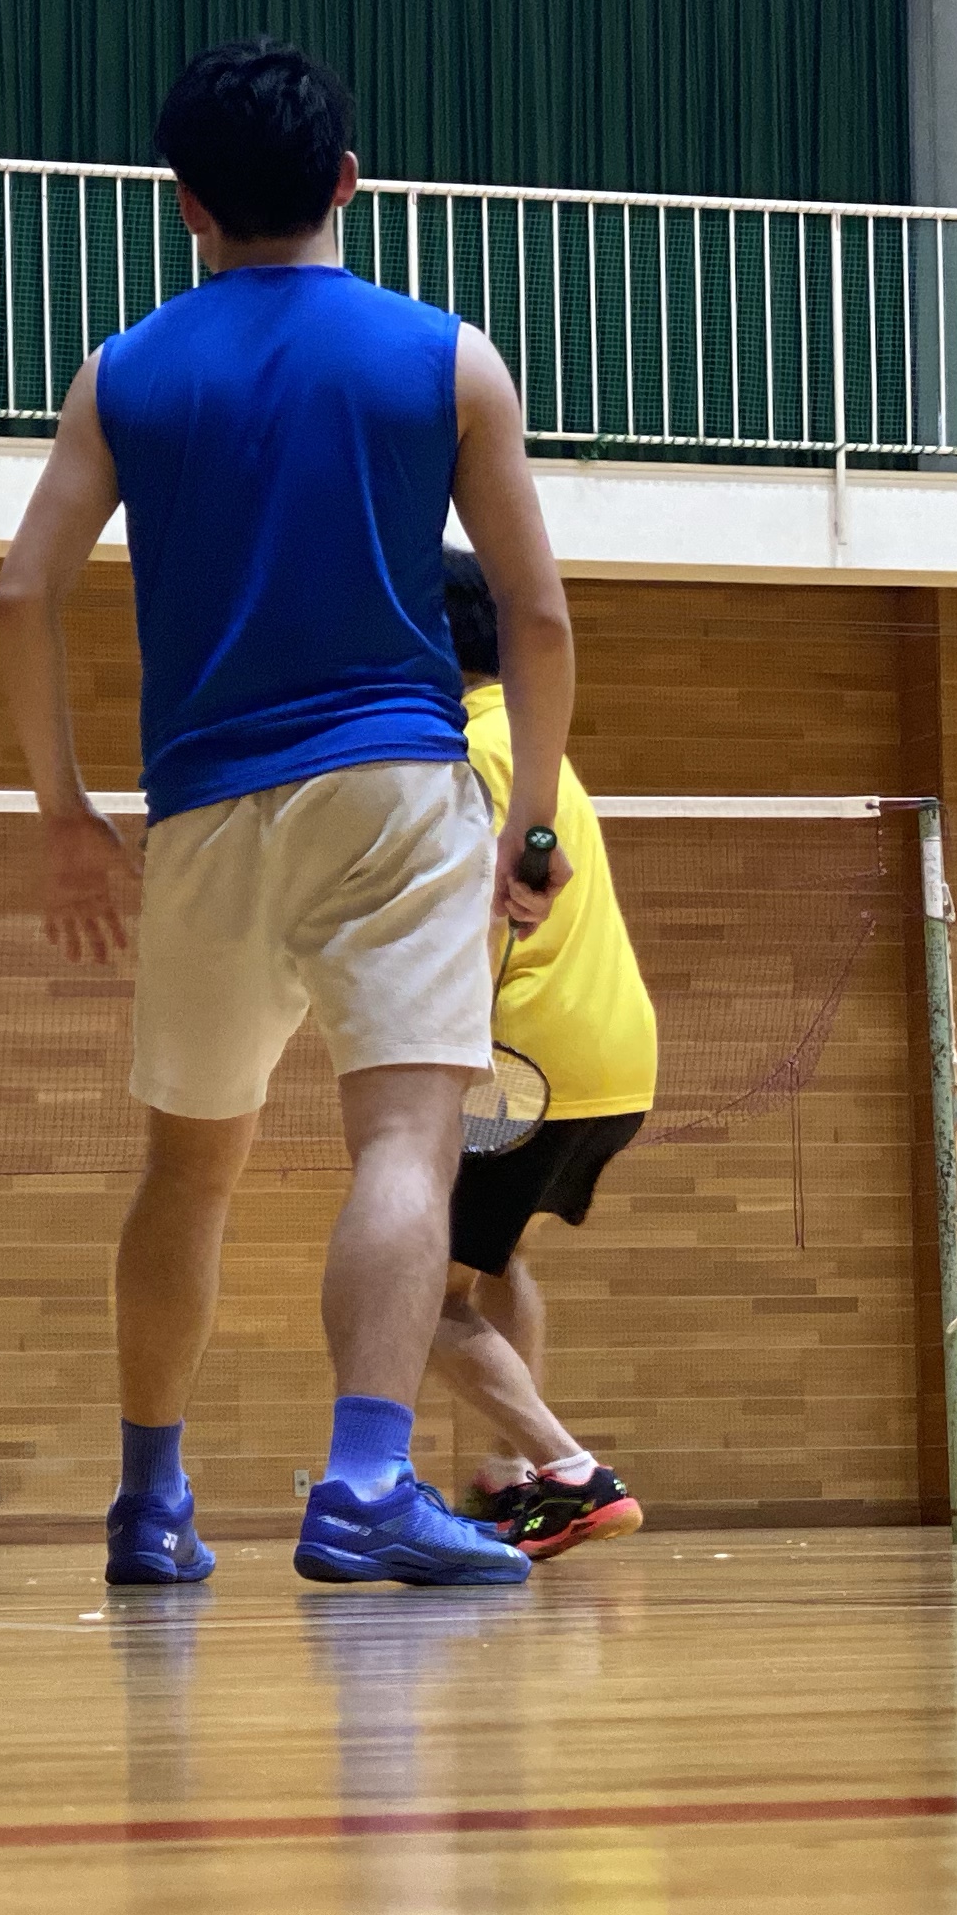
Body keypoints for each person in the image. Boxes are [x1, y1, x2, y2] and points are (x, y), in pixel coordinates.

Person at [0, 37, 577, 1591]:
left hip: (199, 811)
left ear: (186, 204)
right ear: (348, 183)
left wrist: (64, 817)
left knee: (187, 1171)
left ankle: (150, 1503)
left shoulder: (123, 373)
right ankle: (368, 1482)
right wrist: (528, 824)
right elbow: (537, 616)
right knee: (404, 1144)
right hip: (392, 791)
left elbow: (22, 594)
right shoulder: (449, 360)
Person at [426, 546, 649, 1560]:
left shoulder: (464, 754)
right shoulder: (536, 744)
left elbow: (479, 911)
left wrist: (445, 1052)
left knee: (415, 1293)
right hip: (615, 1056)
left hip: (523, 1061)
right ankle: (514, 1476)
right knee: (495, 1255)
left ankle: (568, 1473)